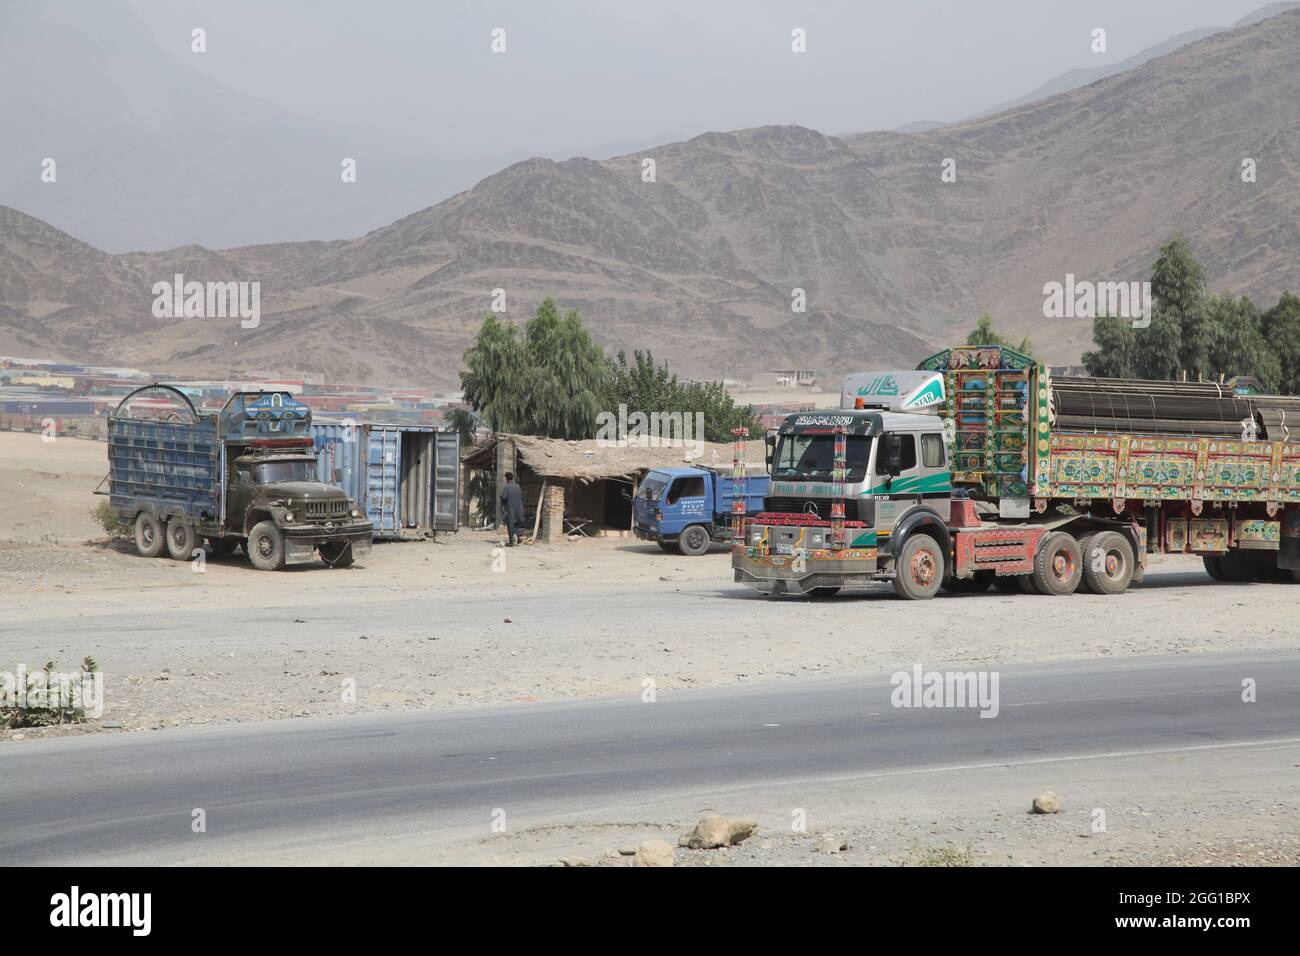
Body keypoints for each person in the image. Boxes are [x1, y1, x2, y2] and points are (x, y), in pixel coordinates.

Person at [500, 471, 527, 546]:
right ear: (512, 478)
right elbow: (522, 497)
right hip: (519, 509)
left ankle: (511, 541)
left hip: (511, 509)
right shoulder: (518, 486)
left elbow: (503, 497)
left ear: (506, 479)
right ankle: (519, 538)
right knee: (518, 524)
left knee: (511, 525)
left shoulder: (506, 487)